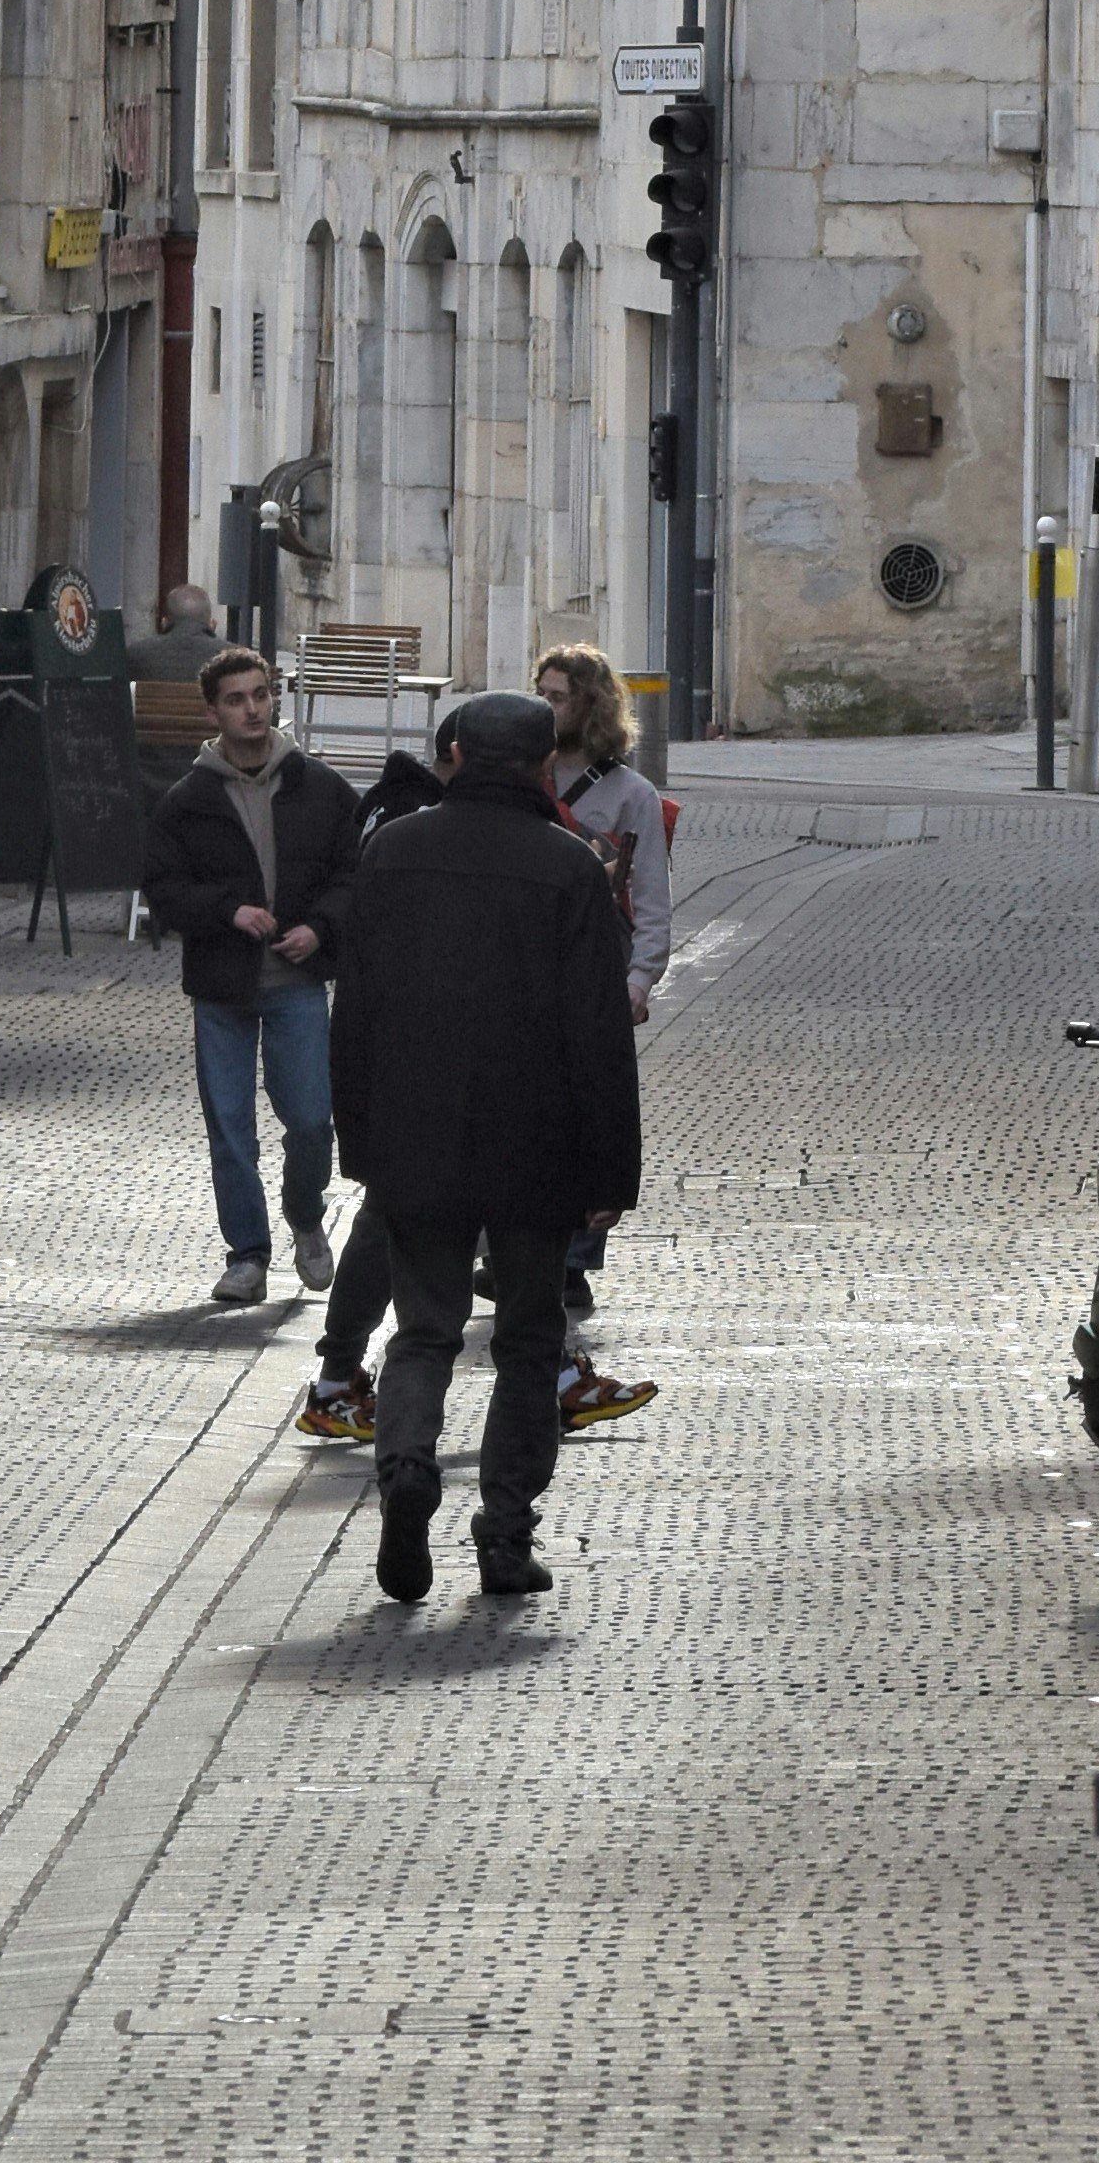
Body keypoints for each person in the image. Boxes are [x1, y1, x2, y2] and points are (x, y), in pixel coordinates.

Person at [327, 686, 639, 1605]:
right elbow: (598, 1034)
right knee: (529, 1341)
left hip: (416, 1137)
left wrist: (361, 1140)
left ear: (453, 754)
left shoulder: (391, 851)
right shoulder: (570, 867)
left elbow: (359, 1014)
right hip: (536, 1146)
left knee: (422, 1330)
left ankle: (408, 1473)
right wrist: (610, 1169)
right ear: (547, 766)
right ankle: (505, 1534)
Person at [135, 641, 361, 1304]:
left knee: (313, 1120)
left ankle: (305, 1217)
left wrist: (319, 925)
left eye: (260, 695)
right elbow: (163, 888)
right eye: (236, 700)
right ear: (214, 712)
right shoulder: (187, 800)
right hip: (221, 986)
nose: (252, 709)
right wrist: (226, 911)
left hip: (297, 982)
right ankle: (248, 1255)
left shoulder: (318, 787)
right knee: (230, 1126)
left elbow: (353, 871)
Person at [536, 639, 671, 1331]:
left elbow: (649, 899)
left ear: (590, 704)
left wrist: (640, 980)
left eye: (558, 695)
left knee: (594, 1114)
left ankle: (575, 1260)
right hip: (529, 976)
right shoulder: (523, 778)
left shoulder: (630, 795)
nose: (546, 706)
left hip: (599, 976)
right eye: (542, 693)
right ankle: (520, 1247)